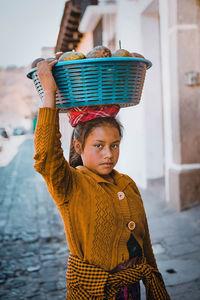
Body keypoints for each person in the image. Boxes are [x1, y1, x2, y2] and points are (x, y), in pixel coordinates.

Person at [33, 59, 170, 300]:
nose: (109, 154)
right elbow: (46, 155)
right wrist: (49, 93)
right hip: (95, 293)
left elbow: (145, 245)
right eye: (99, 146)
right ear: (79, 146)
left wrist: (156, 289)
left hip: (132, 290)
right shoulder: (70, 186)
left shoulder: (127, 185)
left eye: (114, 145)